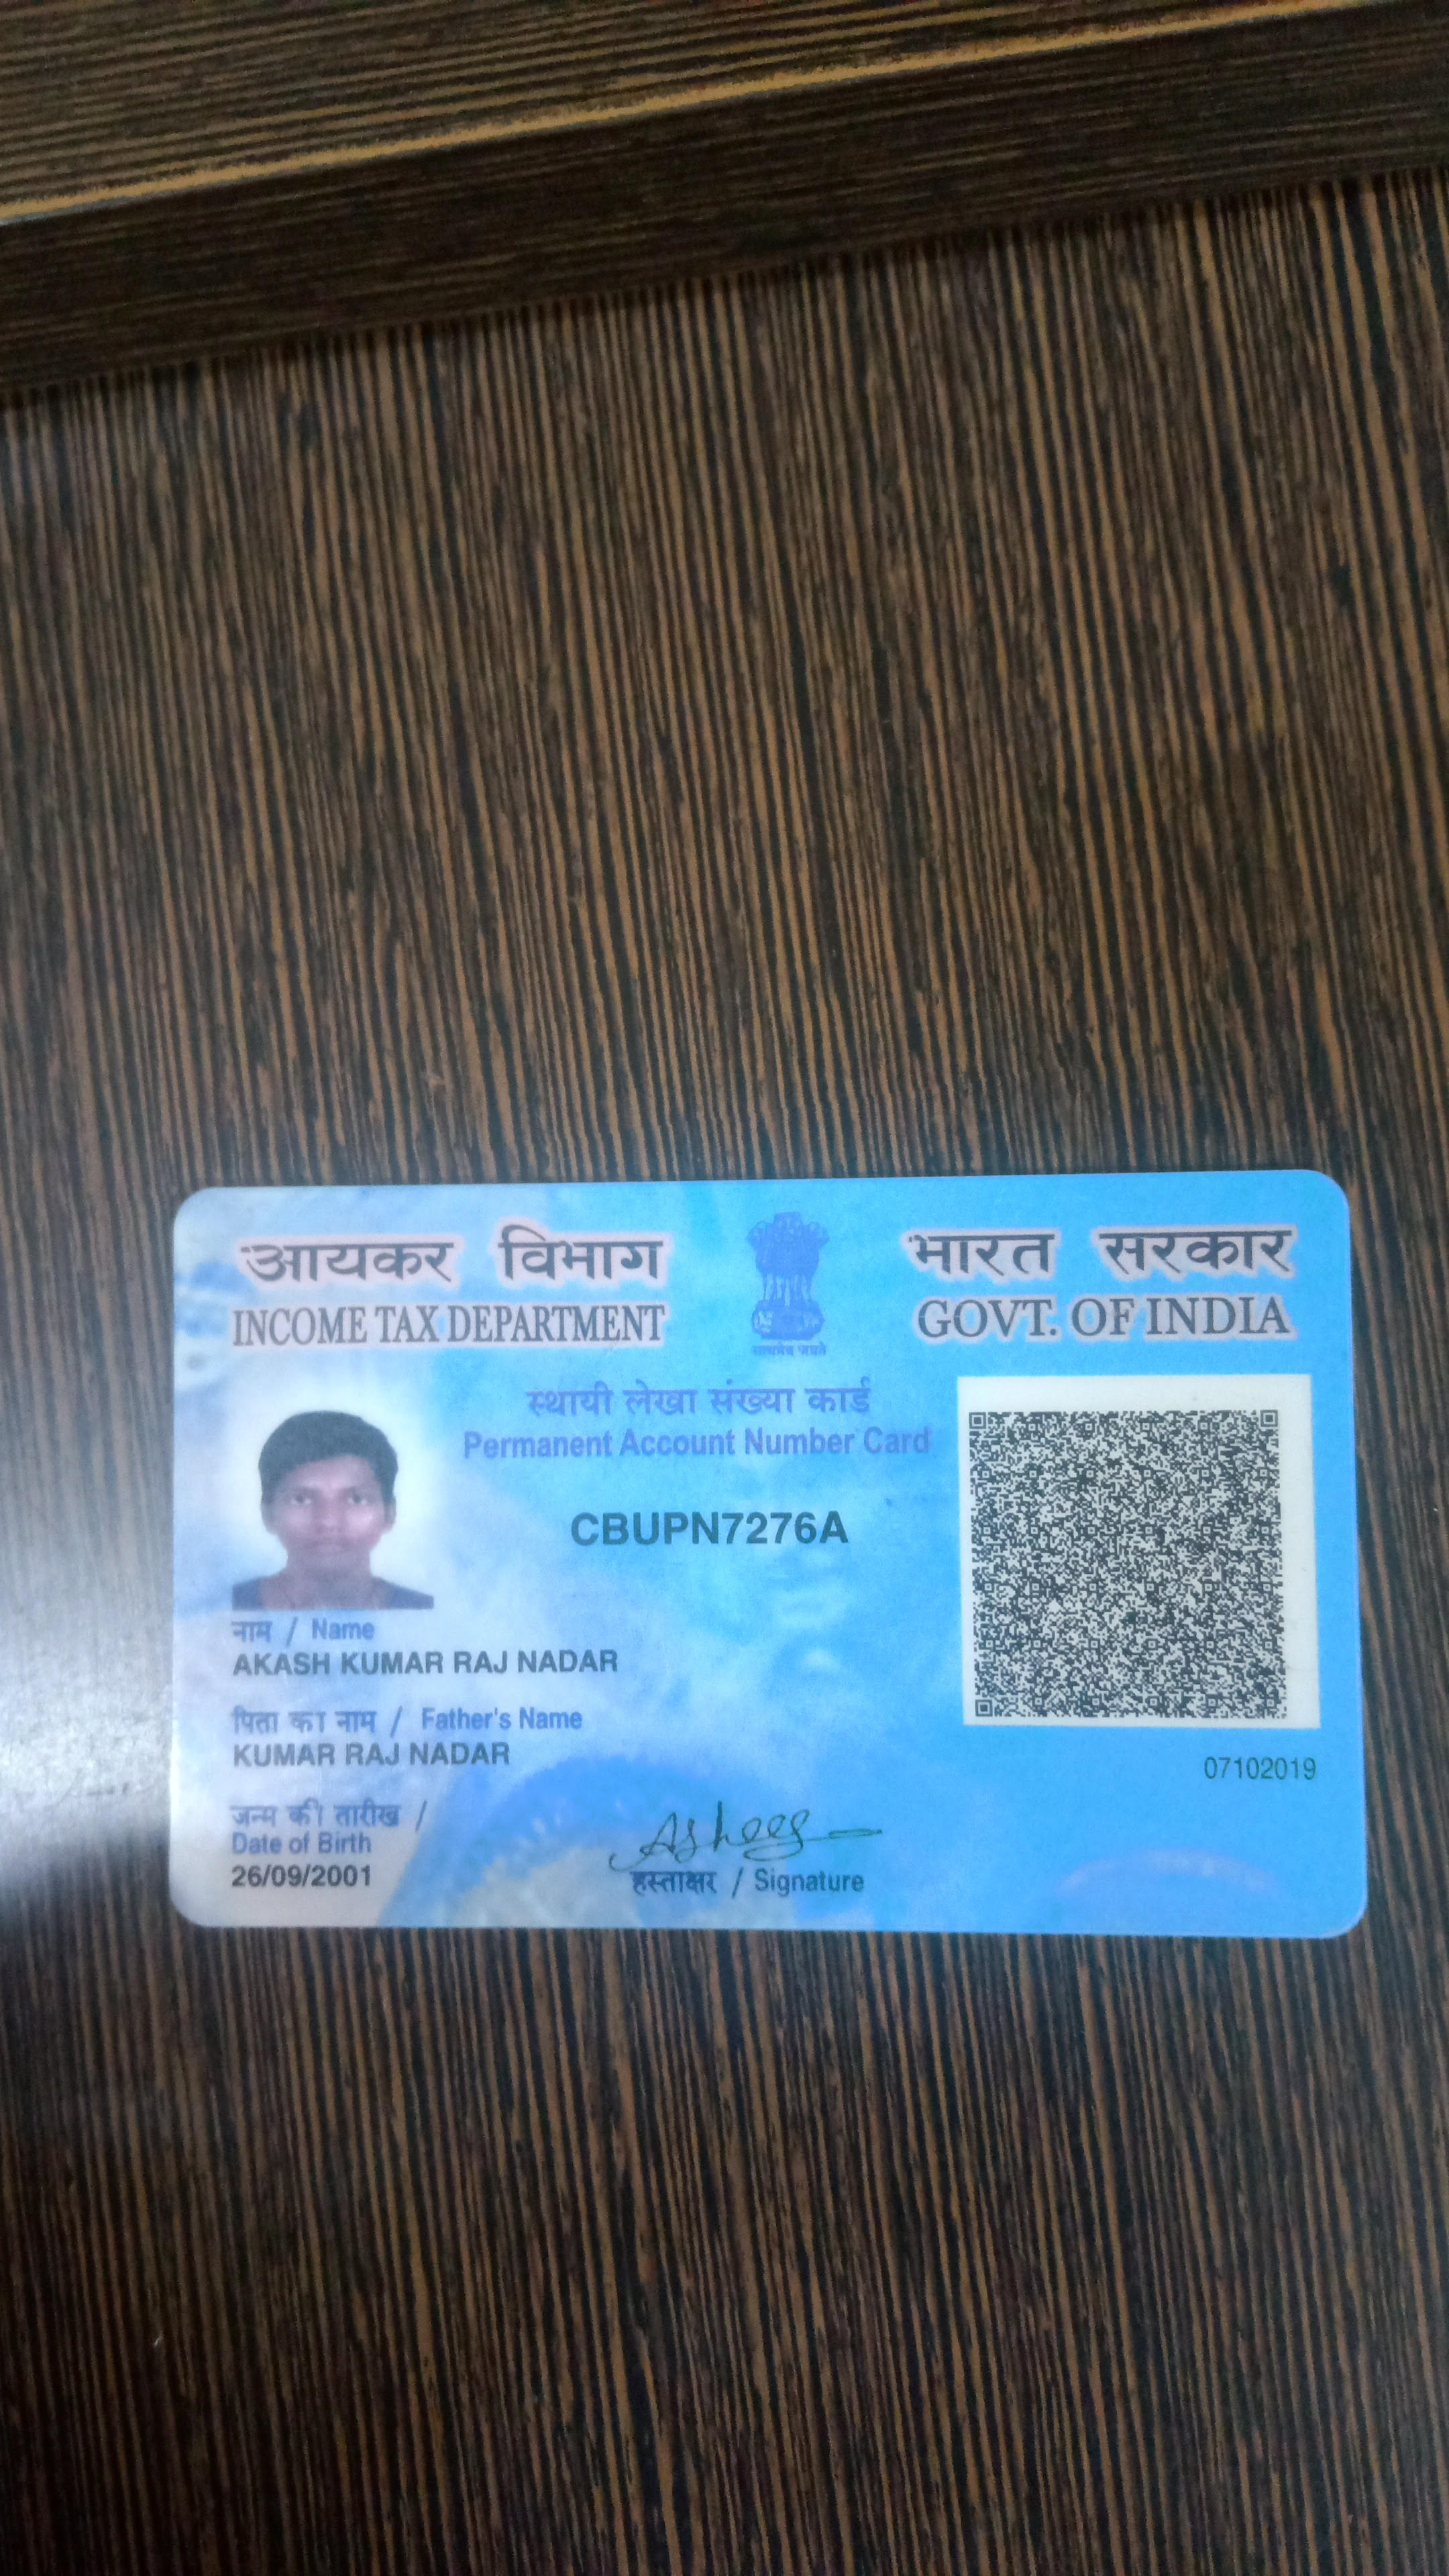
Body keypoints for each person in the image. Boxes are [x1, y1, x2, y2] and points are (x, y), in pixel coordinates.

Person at [232, 1411, 433, 1610]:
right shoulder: (227, 1606)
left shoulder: (425, 1613)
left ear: (389, 1513)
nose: (328, 1522)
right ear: (268, 1514)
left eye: (356, 1499)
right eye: (301, 1499)